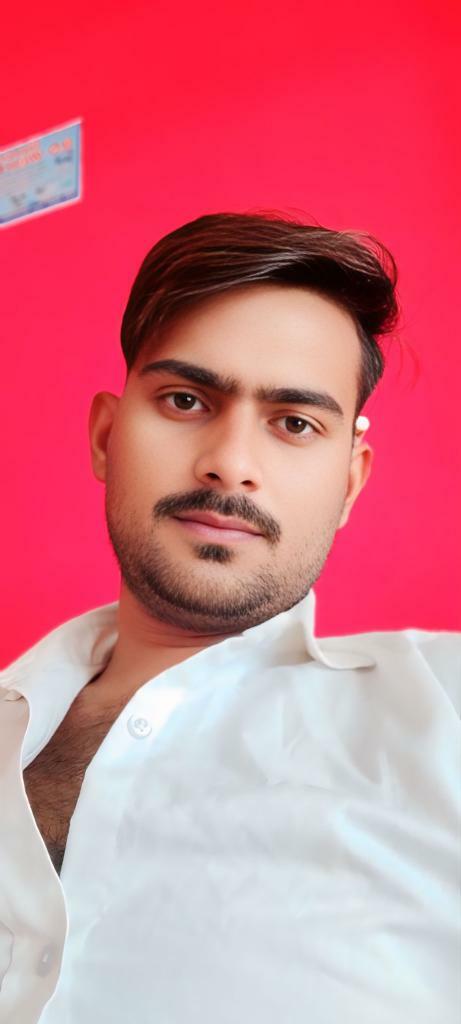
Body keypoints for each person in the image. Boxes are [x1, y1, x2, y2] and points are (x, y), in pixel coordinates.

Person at [0, 212, 459, 1024]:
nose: (230, 464)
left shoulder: (445, 708)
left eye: (294, 423)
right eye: (185, 400)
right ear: (106, 436)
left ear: (349, 483)